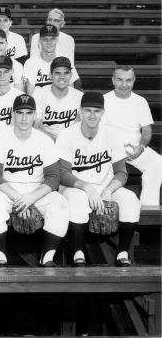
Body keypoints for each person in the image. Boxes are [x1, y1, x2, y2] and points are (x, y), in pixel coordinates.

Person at [56, 92, 140, 267]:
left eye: (97, 111)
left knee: (130, 199)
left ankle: (122, 252)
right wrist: (87, 188)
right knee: (78, 201)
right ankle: (78, 252)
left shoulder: (112, 135)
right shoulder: (66, 135)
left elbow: (121, 172)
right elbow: (62, 173)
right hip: (73, 186)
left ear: (103, 113)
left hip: (104, 185)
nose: (92, 115)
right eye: (88, 110)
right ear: (80, 112)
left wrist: (109, 190)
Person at [0, 94, 69, 267]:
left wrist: (31, 198)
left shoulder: (44, 140)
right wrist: (18, 198)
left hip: (37, 189)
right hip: (7, 189)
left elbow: (53, 177)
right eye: (20, 113)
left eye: (28, 113)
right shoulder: (0, 139)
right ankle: (0, 257)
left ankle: (47, 257)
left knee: (60, 204)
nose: (24, 118)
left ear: (35, 115)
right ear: (12, 114)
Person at [103, 66, 162, 205]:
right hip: (108, 148)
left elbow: (146, 130)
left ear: (134, 80)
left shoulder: (140, 101)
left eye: (128, 80)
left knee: (157, 162)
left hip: (133, 147)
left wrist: (140, 147)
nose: (124, 84)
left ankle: (149, 205)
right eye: (120, 80)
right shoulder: (104, 100)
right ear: (113, 80)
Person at [33, 56, 83, 141]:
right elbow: (36, 126)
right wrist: (54, 139)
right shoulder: (38, 96)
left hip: (72, 141)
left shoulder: (80, 97)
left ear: (71, 75)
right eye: (58, 73)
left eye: (66, 73)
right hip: (45, 141)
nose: (62, 77)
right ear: (50, 75)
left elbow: (82, 125)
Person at [24, 25, 79, 95]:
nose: (49, 42)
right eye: (45, 39)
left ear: (57, 40)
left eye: (52, 39)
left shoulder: (65, 60)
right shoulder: (30, 63)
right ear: (40, 40)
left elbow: (71, 90)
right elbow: (30, 93)